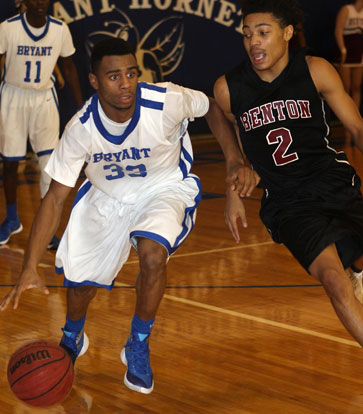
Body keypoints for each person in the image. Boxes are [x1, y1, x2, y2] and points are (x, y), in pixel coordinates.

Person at [0, 37, 246, 394]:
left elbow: (209, 106)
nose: (126, 82)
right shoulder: (80, 129)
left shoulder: (165, 100)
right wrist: (27, 270)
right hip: (107, 197)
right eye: (114, 76)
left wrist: (234, 160)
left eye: (131, 73)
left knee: (152, 255)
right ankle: (72, 335)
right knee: (81, 284)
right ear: (95, 81)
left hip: (163, 189)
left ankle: (137, 344)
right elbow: (54, 199)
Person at [214, 0, 363, 346]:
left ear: (287, 33)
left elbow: (356, 126)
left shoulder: (315, 70)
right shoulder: (230, 88)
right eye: (247, 34)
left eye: (263, 33)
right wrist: (234, 173)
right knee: (332, 279)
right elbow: (213, 112)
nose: (254, 42)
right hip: (288, 202)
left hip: (334, 182)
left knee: (351, 264)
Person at [0, 0, 83, 248]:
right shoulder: (7, 28)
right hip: (13, 96)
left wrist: (82, 108)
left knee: (49, 165)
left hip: (44, 99)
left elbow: (69, 67)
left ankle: (47, 231)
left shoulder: (60, 30)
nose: (39, 3)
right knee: (11, 164)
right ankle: (12, 218)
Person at [334, 0, 363, 113]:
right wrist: (343, 50)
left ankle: (355, 115)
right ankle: (346, 116)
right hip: (345, 53)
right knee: (346, 88)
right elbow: (338, 30)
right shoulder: (346, 9)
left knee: (356, 87)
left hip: (358, 53)